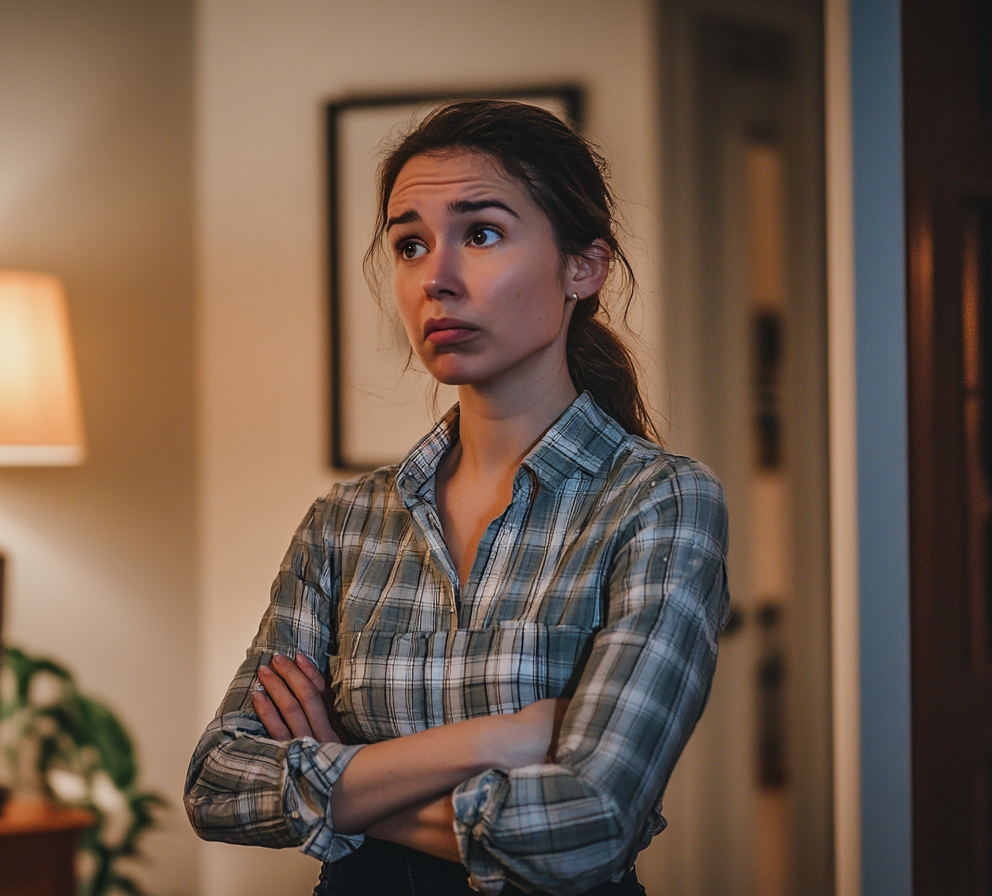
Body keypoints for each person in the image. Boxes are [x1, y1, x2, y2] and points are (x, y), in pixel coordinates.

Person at [184, 100, 730, 896]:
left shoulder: (660, 502)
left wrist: (340, 775)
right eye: (410, 244)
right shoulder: (345, 523)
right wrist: (503, 738)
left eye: (480, 234)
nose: (435, 278)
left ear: (584, 267)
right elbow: (219, 783)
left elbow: (587, 832)